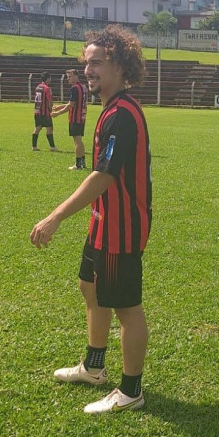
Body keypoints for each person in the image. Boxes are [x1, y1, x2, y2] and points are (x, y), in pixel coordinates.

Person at [30, 25, 152, 414]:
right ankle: (94, 368)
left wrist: (55, 217)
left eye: (97, 63)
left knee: (126, 308)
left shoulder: (122, 115)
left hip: (121, 228)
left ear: (119, 65)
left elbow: (102, 176)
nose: (89, 71)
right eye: (87, 63)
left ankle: (131, 391)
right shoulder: (112, 109)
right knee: (90, 288)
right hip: (104, 221)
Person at [52, 69, 88, 170]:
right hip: (82, 117)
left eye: (70, 76)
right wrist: (60, 107)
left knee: (77, 141)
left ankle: (77, 164)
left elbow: (71, 105)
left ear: (76, 76)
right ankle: (82, 163)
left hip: (75, 118)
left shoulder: (74, 88)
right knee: (79, 140)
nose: (68, 79)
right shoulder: (83, 87)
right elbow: (74, 103)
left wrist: (57, 113)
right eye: (67, 77)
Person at [32, 71, 58, 152]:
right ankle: (52, 147)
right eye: (50, 78)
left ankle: (34, 147)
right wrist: (51, 109)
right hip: (45, 112)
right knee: (50, 128)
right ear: (48, 79)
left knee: (37, 128)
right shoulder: (47, 88)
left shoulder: (38, 87)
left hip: (37, 111)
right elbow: (49, 101)